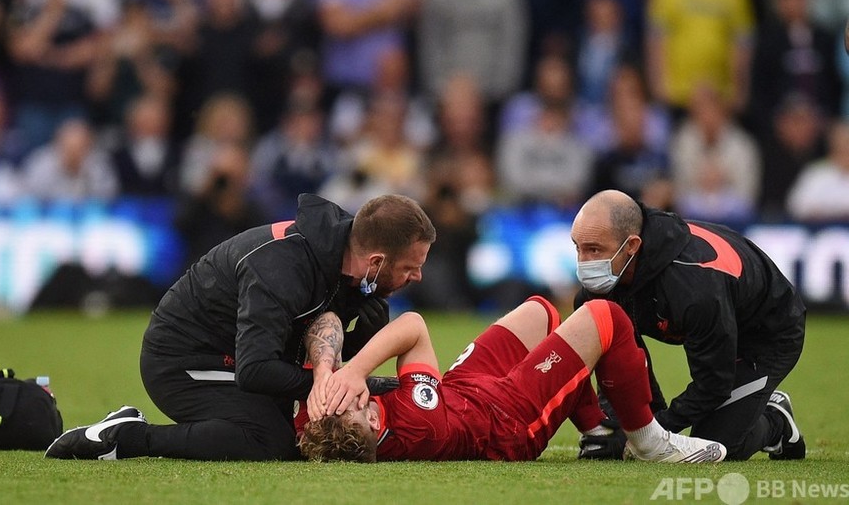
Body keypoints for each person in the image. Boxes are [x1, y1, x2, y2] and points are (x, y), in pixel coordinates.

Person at [45, 193, 436, 461]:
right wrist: (335, 386)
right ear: (376, 261)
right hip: (181, 362)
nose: (418, 277)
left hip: (234, 356)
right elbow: (256, 369)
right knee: (272, 439)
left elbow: (312, 344)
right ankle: (127, 437)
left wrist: (355, 352)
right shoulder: (283, 269)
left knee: (308, 425)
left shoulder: (342, 264)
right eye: (410, 267)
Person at [296, 298, 726, 463]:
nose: (349, 392)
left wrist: (325, 375)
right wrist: (354, 370)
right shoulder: (415, 420)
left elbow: (324, 325)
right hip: (506, 420)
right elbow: (413, 325)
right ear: (373, 422)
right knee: (604, 317)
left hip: (464, 391)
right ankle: (649, 441)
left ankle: (597, 434)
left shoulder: (325, 428)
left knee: (542, 312)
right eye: (355, 399)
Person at [571, 190, 806, 461]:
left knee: (715, 444)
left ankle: (776, 420)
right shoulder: (602, 283)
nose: (583, 262)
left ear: (631, 246)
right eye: (578, 247)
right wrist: (628, 424)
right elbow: (620, 359)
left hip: (766, 332)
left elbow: (713, 383)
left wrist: (655, 430)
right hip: (716, 315)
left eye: (594, 250)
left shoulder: (694, 287)